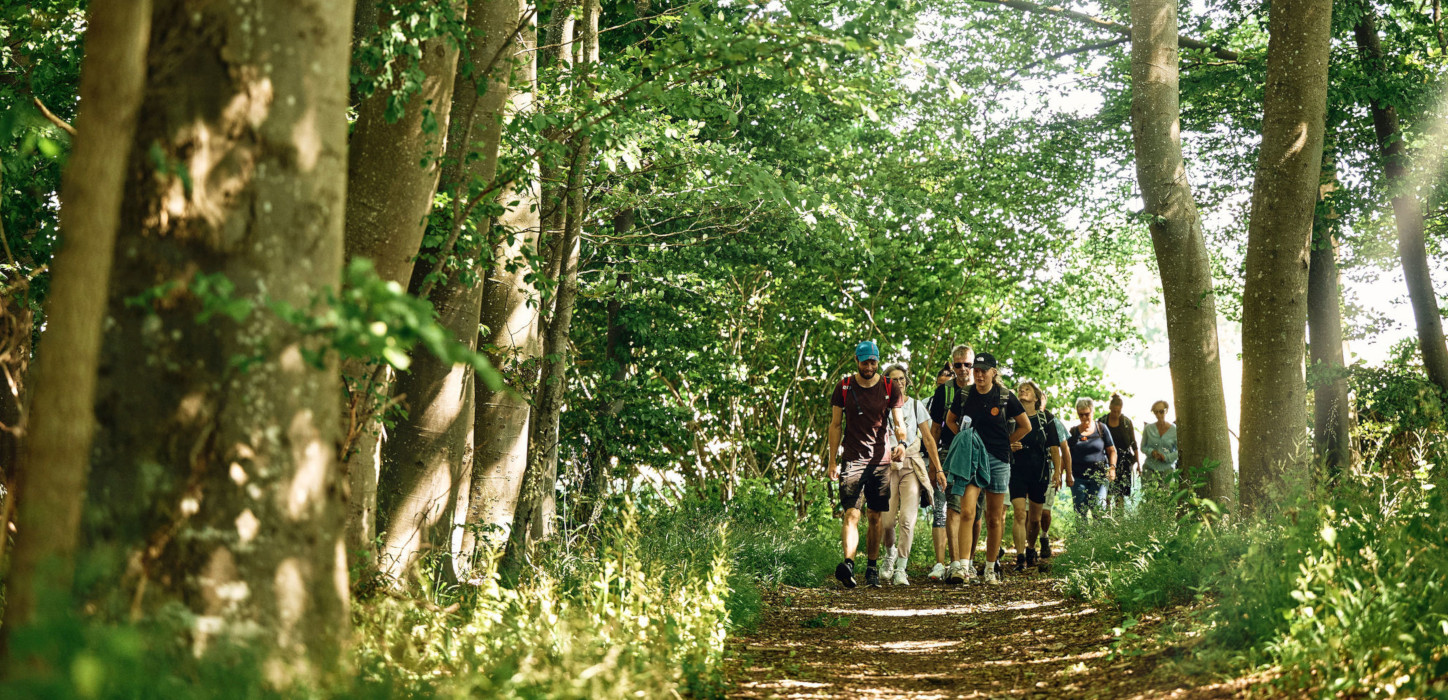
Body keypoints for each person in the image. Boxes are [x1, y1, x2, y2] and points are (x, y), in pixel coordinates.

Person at [828, 340, 909, 588]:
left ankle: (872, 568)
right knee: (852, 513)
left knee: (874, 516)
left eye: (874, 362)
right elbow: (835, 425)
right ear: (857, 361)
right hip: (852, 458)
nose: (870, 366)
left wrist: (902, 443)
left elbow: (898, 422)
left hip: (881, 461)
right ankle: (849, 564)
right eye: (865, 362)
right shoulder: (843, 387)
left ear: (878, 362)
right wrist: (832, 460)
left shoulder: (889, 387)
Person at [943, 352, 1030, 585]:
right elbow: (950, 421)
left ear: (994, 372)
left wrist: (1008, 443)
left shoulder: (1005, 396)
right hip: (971, 459)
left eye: (984, 370)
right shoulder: (964, 395)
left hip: (998, 460)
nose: (979, 374)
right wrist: (963, 441)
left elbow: (1026, 426)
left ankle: (990, 569)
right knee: (967, 512)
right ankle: (962, 568)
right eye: (976, 370)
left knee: (994, 518)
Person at [879, 364, 947, 585]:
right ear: (886, 383)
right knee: (888, 521)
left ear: (907, 381)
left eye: (901, 379)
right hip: (888, 466)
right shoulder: (880, 406)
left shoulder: (916, 406)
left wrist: (938, 469)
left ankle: (901, 567)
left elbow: (928, 439)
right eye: (892, 379)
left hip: (911, 465)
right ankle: (889, 555)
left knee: (908, 519)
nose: (898, 383)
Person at [929, 346, 975, 581]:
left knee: (974, 511)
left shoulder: (985, 387)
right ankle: (955, 563)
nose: (963, 369)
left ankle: (970, 562)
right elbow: (935, 428)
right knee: (953, 506)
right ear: (952, 365)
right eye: (958, 365)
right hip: (949, 452)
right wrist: (933, 462)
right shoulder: (944, 392)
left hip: (977, 455)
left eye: (967, 364)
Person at [1009, 381, 1063, 570]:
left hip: (1039, 471)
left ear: (1036, 397)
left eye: (1027, 389)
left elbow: (1055, 448)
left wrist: (1058, 472)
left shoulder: (1045, 418)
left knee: (1034, 519)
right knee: (1018, 513)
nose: (1023, 391)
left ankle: (1031, 547)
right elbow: (1000, 440)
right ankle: (1020, 556)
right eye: (1020, 390)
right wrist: (1009, 446)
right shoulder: (1010, 418)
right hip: (1016, 470)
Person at [923, 364, 955, 581]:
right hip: (936, 456)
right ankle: (939, 563)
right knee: (940, 510)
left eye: (946, 385)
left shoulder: (965, 396)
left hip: (959, 455)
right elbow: (928, 432)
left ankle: (960, 562)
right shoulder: (927, 404)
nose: (942, 390)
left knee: (961, 509)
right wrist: (932, 466)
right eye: (939, 386)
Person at [1068, 397, 1117, 516]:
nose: (1084, 417)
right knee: (1080, 512)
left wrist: (1112, 468)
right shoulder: (1074, 432)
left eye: (1087, 414)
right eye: (1081, 415)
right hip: (1078, 478)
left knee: (1099, 509)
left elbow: (1112, 450)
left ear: (1092, 412)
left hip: (1099, 477)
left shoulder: (1101, 429)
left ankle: (1099, 535)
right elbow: (1066, 454)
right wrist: (1065, 474)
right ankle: (1082, 535)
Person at [1100, 394, 1138, 512]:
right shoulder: (1102, 422)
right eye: (1114, 411)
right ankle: (1107, 518)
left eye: (1118, 411)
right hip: (1107, 461)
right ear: (1110, 407)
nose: (1116, 413)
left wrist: (1138, 464)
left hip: (1124, 462)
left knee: (1120, 494)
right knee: (1107, 493)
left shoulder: (1126, 422)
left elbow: (1133, 443)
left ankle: (1119, 521)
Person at [1139, 400, 1179, 491]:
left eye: (1161, 411)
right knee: (1150, 498)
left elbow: (1178, 451)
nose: (1159, 415)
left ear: (1166, 411)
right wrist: (1151, 452)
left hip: (1167, 470)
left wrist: (1166, 457)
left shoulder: (1174, 430)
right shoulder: (1148, 428)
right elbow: (1143, 447)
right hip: (1150, 468)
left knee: (1165, 499)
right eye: (1155, 412)